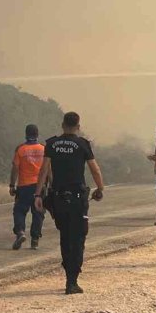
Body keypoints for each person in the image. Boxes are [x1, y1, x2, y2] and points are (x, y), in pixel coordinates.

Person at [34, 112, 105, 295]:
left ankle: (69, 276)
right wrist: (100, 188)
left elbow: (43, 171)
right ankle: (72, 280)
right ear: (78, 126)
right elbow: (94, 170)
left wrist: (38, 194)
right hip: (77, 199)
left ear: (62, 124)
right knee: (79, 237)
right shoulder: (83, 144)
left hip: (58, 198)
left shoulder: (52, 144)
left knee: (65, 237)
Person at [9, 124, 45, 250]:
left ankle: (20, 232)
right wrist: (51, 184)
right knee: (38, 213)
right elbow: (48, 169)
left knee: (19, 211)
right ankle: (35, 240)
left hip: (24, 186)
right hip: (40, 187)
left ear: (26, 134)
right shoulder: (43, 149)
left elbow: (15, 168)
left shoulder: (20, 149)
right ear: (37, 134)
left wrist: (12, 185)